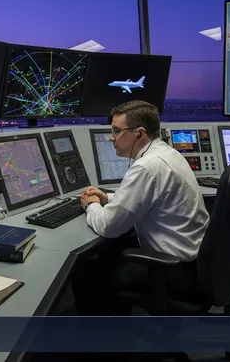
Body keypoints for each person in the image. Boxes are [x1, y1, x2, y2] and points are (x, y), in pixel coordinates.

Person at [72, 100, 210, 316]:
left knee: (84, 274)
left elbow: (109, 226)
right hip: (195, 265)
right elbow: (150, 198)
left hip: (173, 272)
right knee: (113, 252)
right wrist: (107, 197)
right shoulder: (166, 154)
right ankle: (121, 337)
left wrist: (92, 206)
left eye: (116, 131)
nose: (111, 137)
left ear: (139, 133)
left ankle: (102, 346)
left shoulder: (146, 167)